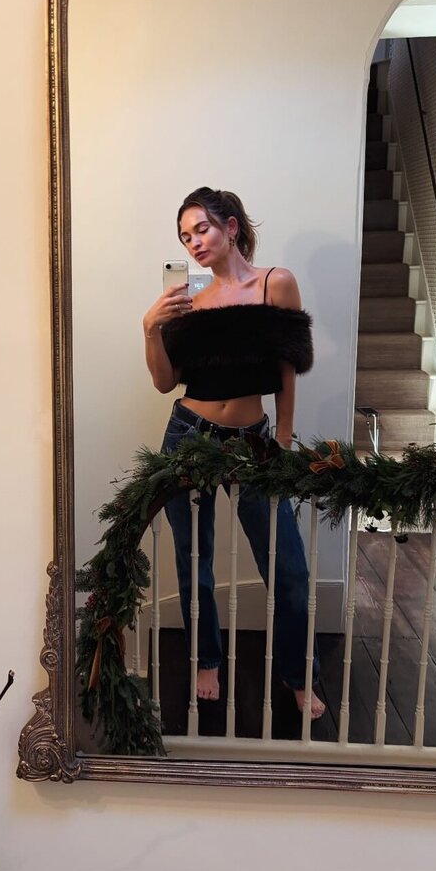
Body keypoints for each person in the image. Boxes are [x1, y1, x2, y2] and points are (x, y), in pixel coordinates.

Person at [142, 186, 324, 718]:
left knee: (288, 568)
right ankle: (206, 660)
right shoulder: (188, 295)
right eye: (185, 236)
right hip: (188, 433)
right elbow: (165, 381)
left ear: (231, 227)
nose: (194, 243)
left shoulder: (275, 284)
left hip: (254, 442)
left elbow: (288, 367)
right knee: (192, 557)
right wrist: (150, 329)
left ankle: (298, 675)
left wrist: (283, 440)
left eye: (202, 229)